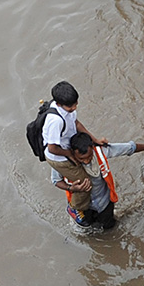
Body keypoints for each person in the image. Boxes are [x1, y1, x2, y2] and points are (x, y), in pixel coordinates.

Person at [52, 132, 144, 229]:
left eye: (89, 157)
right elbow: (56, 180)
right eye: (82, 159)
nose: (87, 161)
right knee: (85, 228)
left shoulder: (100, 151)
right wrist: (71, 188)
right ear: (73, 154)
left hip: (104, 203)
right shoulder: (64, 163)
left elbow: (129, 148)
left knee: (109, 228)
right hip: (82, 207)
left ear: (92, 148)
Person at [42, 81, 104, 226]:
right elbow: (52, 148)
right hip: (59, 156)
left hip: (65, 150)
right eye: (71, 107)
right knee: (84, 183)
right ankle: (75, 208)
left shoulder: (67, 109)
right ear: (58, 104)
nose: (74, 108)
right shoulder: (55, 121)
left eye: (76, 104)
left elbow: (76, 123)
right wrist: (70, 155)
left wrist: (94, 139)